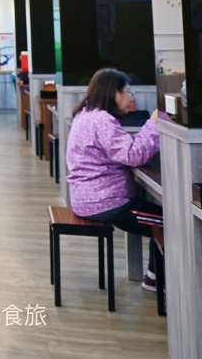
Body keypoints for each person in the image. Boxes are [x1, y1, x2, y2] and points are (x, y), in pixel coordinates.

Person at [66, 68, 164, 291]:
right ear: (114, 93)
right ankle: (156, 280)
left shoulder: (86, 114)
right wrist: (153, 123)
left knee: (159, 217)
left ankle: (154, 276)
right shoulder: (103, 120)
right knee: (170, 222)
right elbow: (133, 155)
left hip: (87, 198)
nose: (130, 98)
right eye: (128, 92)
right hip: (106, 203)